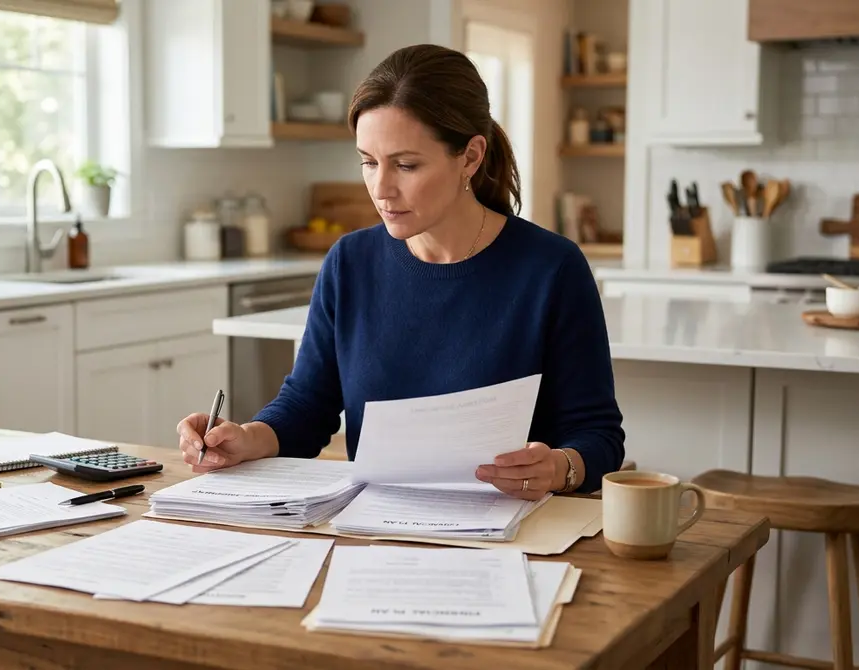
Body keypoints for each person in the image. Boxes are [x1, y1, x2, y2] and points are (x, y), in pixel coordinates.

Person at [177, 43, 624, 499]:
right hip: (376, 528)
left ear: (470, 157)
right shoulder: (349, 262)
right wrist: (246, 439)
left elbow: (599, 438)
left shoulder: (552, 268)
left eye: (406, 165)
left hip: (513, 533)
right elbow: (307, 408)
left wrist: (557, 467)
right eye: (368, 163)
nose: (381, 188)